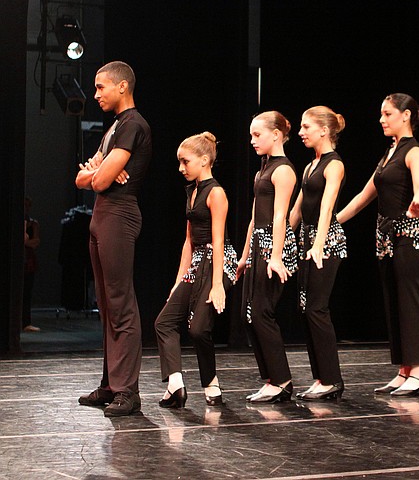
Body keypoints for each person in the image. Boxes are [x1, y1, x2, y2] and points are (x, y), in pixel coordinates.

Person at [337, 93, 419, 396]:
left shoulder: (414, 151)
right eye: (382, 114)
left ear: (406, 116)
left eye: (388, 113)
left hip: (410, 237)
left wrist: (418, 203)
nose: (382, 119)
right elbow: (363, 197)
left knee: (411, 302)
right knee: (394, 302)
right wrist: (333, 222)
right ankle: (404, 370)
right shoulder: (389, 153)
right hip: (387, 240)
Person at [75, 61, 152, 417]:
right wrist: (99, 171)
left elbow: (101, 180)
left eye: (100, 87)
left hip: (119, 215)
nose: (96, 94)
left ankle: (127, 390)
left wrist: (99, 172)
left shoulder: (134, 124)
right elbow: (81, 179)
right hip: (101, 216)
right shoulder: (115, 127)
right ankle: (110, 384)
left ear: (122, 86)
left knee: (121, 303)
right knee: (106, 305)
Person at [154, 132, 238, 408]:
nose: (181, 168)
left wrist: (217, 284)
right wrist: (178, 281)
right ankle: (175, 384)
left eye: (185, 161)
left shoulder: (216, 193)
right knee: (164, 322)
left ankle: (211, 383)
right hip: (198, 261)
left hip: (218, 261)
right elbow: (189, 241)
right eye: (179, 162)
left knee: (199, 329)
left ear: (204, 160)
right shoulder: (191, 191)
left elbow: (218, 241)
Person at [236, 111, 299, 403]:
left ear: (276, 135)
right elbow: (254, 217)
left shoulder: (283, 170)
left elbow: (280, 216)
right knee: (248, 315)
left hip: (275, 247)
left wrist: (275, 256)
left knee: (261, 313)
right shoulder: (263, 169)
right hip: (258, 247)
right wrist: (244, 256)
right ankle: (271, 378)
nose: (252, 140)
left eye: (257, 135)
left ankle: (282, 381)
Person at [288, 106, 347, 401]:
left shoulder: (334, 165)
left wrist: (319, 244)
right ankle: (321, 377)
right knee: (306, 309)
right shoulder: (310, 166)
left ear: (324, 130)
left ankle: (332, 380)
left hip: (326, 243)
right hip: (307, 241)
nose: (301, 132)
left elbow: (327, 206)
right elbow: (297, 210)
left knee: (316, 308)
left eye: (306, 126)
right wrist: (281, 239)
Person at [23, 196, 41, 332]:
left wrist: (26, 242)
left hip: (28, 260)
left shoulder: (33, 223)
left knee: (27, 290)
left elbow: (35, 242)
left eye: (27, 206)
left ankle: (26, 321)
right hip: (20, 258)